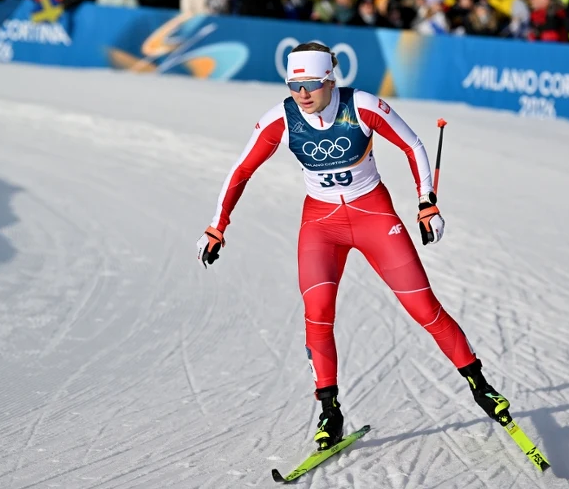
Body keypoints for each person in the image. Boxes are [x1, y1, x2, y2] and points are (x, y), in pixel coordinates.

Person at [196, 42, 511, 451]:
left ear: (330, 79)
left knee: (423, 307)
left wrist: (426, 202)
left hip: (374, 217)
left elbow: (413, 145)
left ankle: (480, 385)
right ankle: (330, 413)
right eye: (294, 85)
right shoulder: (282, 118)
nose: (302, 94)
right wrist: (217, 227)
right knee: (318, 313)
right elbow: (241, 171)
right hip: (321, 226)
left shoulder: (362, 105)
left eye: (311, 84)